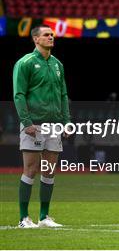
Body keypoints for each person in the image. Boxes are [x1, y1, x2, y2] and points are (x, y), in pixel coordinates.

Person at [13, 24, 70, 228]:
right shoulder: (25, 63)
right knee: (31, 169)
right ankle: (23, 218)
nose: (51, 37)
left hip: (54, 125)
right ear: (36, 39)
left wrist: (67, 121)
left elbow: (63, 95)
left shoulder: (57, 65)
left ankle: (44, 217)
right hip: (34, 124)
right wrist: (26, 122)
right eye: (46, 35)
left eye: (52, 34)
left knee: (49, 170)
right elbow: (19, 94)